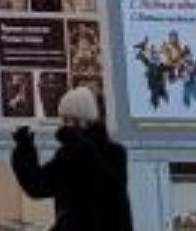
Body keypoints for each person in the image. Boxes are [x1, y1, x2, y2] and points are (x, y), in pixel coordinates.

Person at [8, 85, 134, 230]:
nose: (64, 124)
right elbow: (38, 186)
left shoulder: (114, 153)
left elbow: (105, 189)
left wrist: (77, 145)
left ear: (85, 119)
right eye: (64, 119)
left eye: (70, 119)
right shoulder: (66, 154)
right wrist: (25, 148)